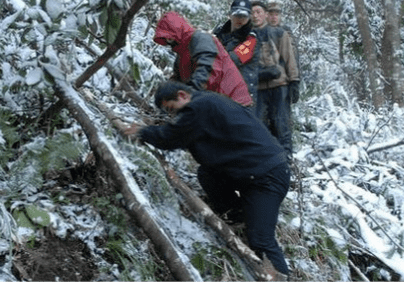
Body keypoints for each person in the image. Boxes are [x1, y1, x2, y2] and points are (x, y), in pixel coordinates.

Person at [123, 81, 291, 278]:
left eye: (171, 108)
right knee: (207, 174)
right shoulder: (209, 102)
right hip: (252, 172)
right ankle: (237, 214)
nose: (173, 116)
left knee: (262, 240)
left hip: (267, 177)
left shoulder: (199, 107)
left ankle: (281, 276)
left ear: (182, 95)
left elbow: (173, 136)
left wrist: (143, 133)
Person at [154, 11, 253, 107]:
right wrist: (167, 93)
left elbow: (208, 70)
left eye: (169, 37)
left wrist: (189, 94)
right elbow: (178, 79)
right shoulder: (182, 53)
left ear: (177, 31)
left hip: (232, 101)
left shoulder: (200, 39)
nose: (168, 41)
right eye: (166, 39)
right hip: (218, 102)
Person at [251, 1, 300, 159]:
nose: (256, 15)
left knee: (282, 126)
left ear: (265, 14)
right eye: (252, 12)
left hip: (279, 86)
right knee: (259, 127)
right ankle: (266, 163)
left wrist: (294, 81)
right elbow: (240, 60)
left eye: (259, 12)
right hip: (258, 88)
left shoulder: (279, 33)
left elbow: (289, 58)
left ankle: (287, 163)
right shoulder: (247, 37)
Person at [213, 0, 261, 105]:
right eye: (237, 15)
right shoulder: (220, 33)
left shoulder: (252, 39)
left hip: (242, 95)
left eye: (244, 16)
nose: (240, 19)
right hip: (220, 91)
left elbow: (232, 59)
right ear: (230, 15)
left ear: (249, 18)